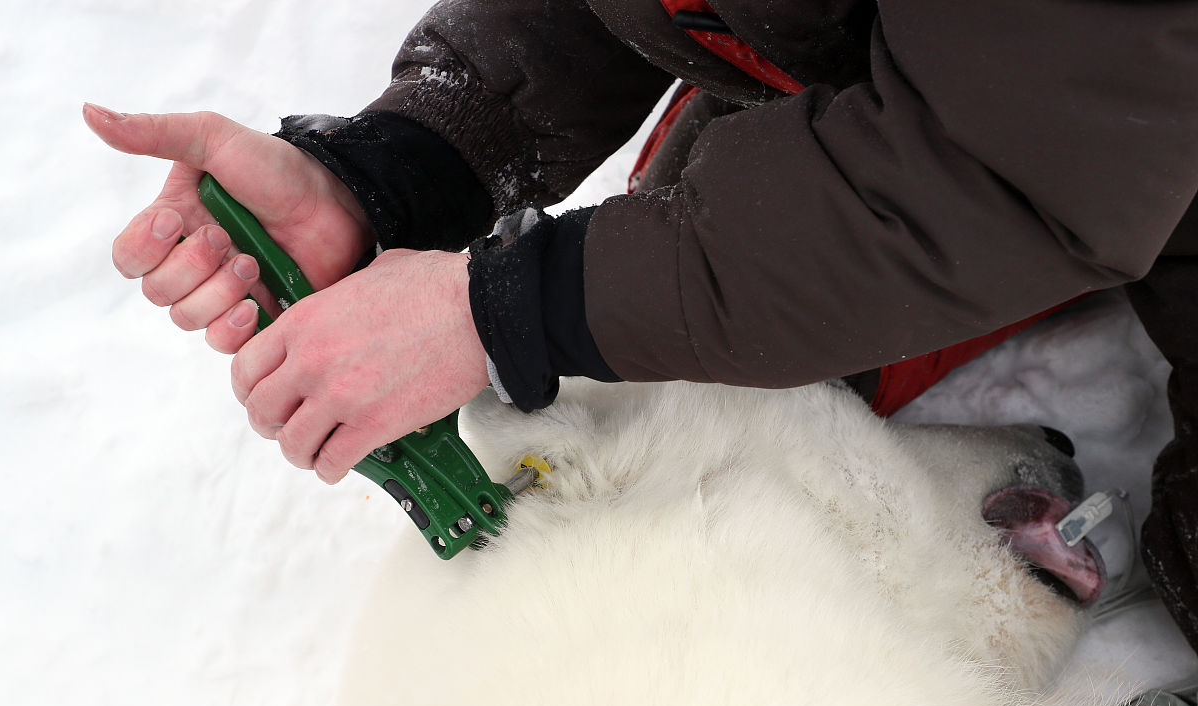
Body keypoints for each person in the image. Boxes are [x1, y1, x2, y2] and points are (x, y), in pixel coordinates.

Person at [84, 1, 1198, 647]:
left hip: (1107, 93)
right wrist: (410, 162)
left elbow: (1018, 159)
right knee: (695, 394)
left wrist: (505, 308)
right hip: (989, 84)